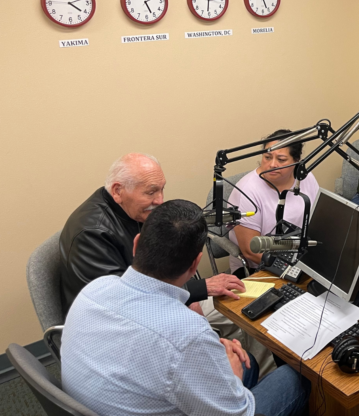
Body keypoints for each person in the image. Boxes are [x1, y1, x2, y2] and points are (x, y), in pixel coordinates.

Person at [61, 199, 308, 416]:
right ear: (195, 265)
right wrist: (231, 375)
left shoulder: (95, 289)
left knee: (249, 364)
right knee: (299, 376)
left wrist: (207, 355)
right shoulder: (188, 334)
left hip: (103, 403)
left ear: (137, 245)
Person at [58, 154, 273, 375]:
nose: (160, 200)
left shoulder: (130, 212)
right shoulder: (92, 235)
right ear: (117, 191)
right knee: (239, 353)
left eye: (162, 189)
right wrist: (194, 293)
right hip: (126, 331)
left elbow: (153, 276)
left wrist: (190, 296)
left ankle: (252, 369)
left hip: (153, 303)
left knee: (242, 307)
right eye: (151, 192)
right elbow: (127, 305)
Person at [228, 129, 320, 273]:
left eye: (281, 160)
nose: (272, 164)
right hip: (260, 266)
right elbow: (250, 251)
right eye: (267, 157)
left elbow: (317, 219)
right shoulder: (246, 191)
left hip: (301, 257)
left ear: (296, 161)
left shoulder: (305, 177)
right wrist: (289, 270)